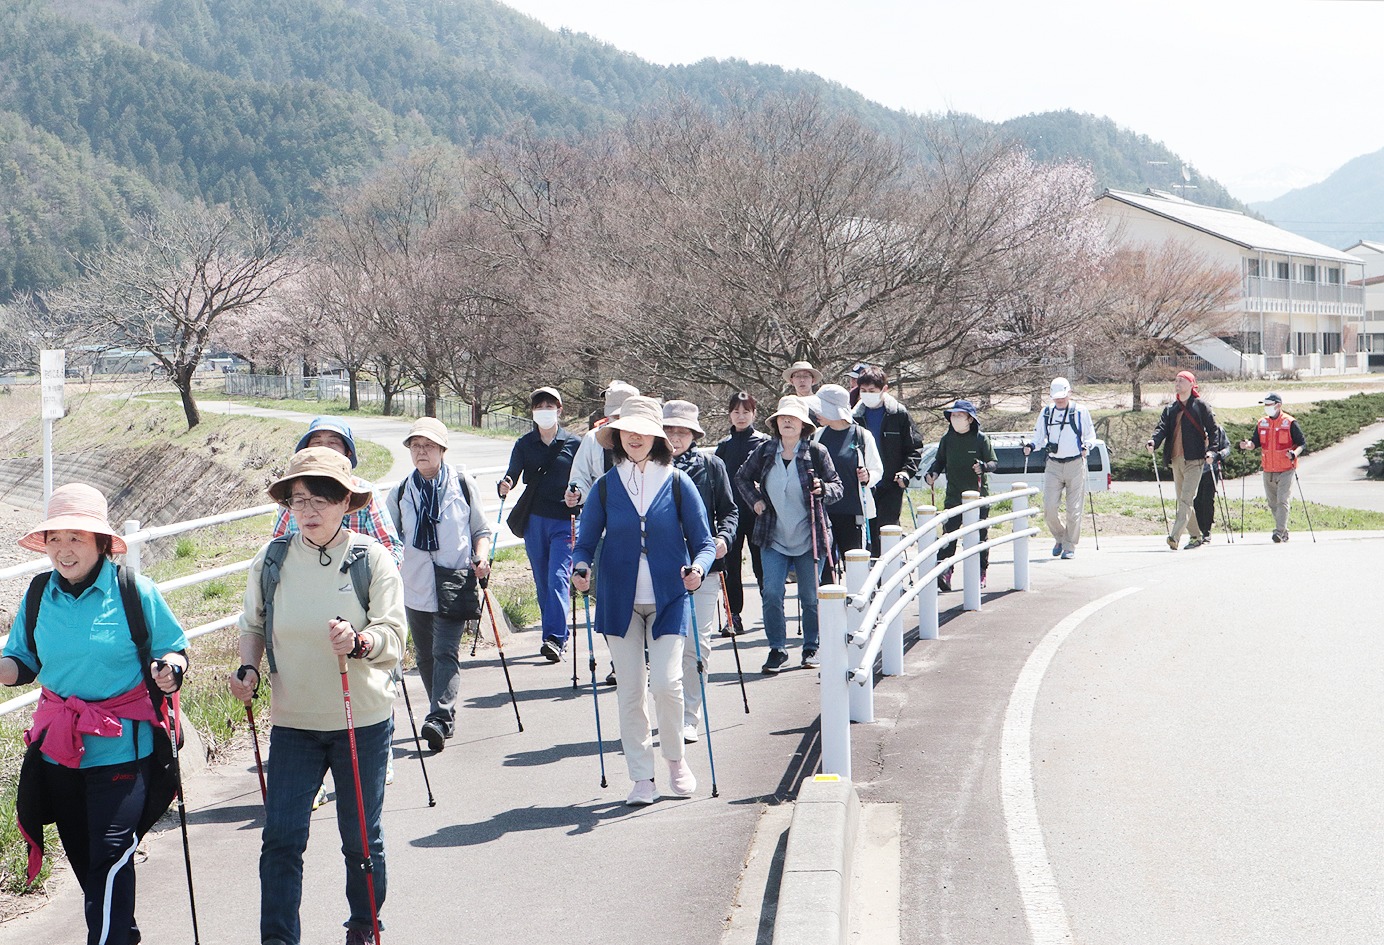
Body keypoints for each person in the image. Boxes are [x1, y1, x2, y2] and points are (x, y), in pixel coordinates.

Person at [231, 447, 406, 945]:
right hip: (293, 723)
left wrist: (359, 641)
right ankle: (279, 939)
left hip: (362, 721)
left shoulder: (372, 559)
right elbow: (253, 624)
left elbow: (394, 637)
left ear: (346, 502)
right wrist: (247, 670)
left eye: (321, 500)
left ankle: (365, 927)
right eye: (298, 499)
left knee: (360, 840)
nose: (307, 511)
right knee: (281, 840)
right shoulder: (272, 559)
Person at [1, 483, 188, 945]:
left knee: (109, 857)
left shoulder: (133, 591)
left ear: (102, 543)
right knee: (89, 866)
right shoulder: (40, 592)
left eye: (77, 538)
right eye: (55, 538)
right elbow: (21, 662)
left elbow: (173, 648)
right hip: (60, 753)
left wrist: (171, 671)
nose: (64, 550)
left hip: (123, 751)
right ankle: (120, 934)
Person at [571, 396, 717, 805]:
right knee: (630, 691)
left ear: (657, 437)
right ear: (617, 435)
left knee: (668, 685)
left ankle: (675, 759)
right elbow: (583, 543)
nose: (634, 437)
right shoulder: (604, 488)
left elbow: (704, 543)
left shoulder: (676, 481)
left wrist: (699, 570)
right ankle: (641, 777)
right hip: (619, 602)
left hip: (669, 597)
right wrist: (581, 569)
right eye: (627, 430)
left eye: (643, 431)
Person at [386, 417, 491, 752]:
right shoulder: (402, 492)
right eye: (416, 446)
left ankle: (439, 718)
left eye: (428, 446)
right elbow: (388, 538)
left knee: (445, 651)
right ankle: (442, 714)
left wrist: (482, 557)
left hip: (454, 581)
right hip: (414, 585)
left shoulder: (461, 484)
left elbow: (481, 531)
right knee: (425, 656)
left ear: (442, 450)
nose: (421, 452)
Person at [734, 396, 843, 675]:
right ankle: (777, 649)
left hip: (810, 537)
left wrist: (823, 490)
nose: (786, 422)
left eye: (792, 418)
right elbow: (742, 478)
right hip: (773, 535)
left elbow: (837, 487)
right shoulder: (765, 451)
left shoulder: (817, 452)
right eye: (782, 418)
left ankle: (811, 646)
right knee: (771, 593)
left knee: (809, 596)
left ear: (804, 424)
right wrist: (755, 500)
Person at [663, 399, 739, 743]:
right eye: (669, 431)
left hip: (702, 567)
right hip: (659, 567)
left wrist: (723, 538)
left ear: (694, 434)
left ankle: (689, 716)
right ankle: (669, 710)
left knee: (697, 643)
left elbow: (729, 511)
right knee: (665, 645)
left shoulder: (712, 466)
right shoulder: (648, 468)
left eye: (683, 432)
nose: (676, 437)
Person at [499, 387, 582, 662]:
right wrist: (505, 484)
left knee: (558, 577)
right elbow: (512, 474)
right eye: (539, 406)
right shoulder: (524, 444)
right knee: (542, 581)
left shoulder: (574, 443)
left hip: (565, 521)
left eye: (550, 406)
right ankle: (554, 635)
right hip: (535, 520)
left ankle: (555, 638)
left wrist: (577, 494)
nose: (544, 410)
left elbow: (584, 478)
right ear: (533, 412)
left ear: (560, 410)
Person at [271, 416, 403, 566]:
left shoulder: (365, 492)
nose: (324, 449)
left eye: (333, 443)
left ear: (348, 454)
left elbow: (390, 547)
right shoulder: (293, 492)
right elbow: (278, 544)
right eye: (317, 443)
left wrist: (373, 578)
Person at [924, 400, 997, 591]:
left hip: (978, 496)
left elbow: (994, 463)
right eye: (953, 415)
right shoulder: (947, 439)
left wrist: (983, 466)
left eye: (960, 415)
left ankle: (981, 571)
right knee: (949, 535)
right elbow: (939, 461)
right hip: (954, 495)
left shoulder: (981, 439)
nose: (956, 419)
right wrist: (932, 473)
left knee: (979, 536)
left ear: (970, 419)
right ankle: (944, 572)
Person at [812, 384, 882, 581]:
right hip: (824, 514)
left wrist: (868, 477)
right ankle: (829, 611)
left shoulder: (862, 435)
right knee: (826, 571)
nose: (817, 412)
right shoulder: (818, 436)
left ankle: (860, 609)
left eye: (821, 407)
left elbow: (877, 469)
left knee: (855, 569)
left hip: (854, 514)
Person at [714, 391, 770, 635]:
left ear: (754, 414)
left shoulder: (764, 442)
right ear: (729, 414)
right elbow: (717, 481)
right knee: (731, 566)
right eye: (736, 411)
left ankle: (770, 612)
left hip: (759, 514)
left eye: (746, 411)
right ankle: (733, 616)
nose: (741, 416)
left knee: (762, 566)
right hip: (732, 515)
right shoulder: (724, 446)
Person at [853, 367, 925, 555]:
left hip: (892, 483)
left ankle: (893, 575)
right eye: (864, 391)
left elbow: (914, 448)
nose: (867, 395)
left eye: (872, 391)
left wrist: (906, 472)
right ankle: (873, 578)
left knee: (888, 529)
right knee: (868, 532)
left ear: (884, 389)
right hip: (865, 485)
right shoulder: (854, 417)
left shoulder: (898, 414)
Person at [1024, 377, 1096, 560]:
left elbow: (1090, 436)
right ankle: (1060, 537)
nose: (1059, 400)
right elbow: (1039, 437)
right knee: (1049, 509)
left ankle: (1069, 545)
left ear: (1070, 393)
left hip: (1075, 464)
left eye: (1062, 397)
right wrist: (1031, 446)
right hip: (1053, 465)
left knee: (1074, 510)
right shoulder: (1046, 413)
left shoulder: (1080, 411)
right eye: (1056, 398)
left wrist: (1087, 447)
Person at [1147, 370, 1219, 551]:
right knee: (1183, 500)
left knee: (1186, 499)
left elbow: (1213, 430)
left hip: (1195, 460)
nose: (1177, 383)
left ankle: (1174, 536)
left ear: (1191, 384)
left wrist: (1212, 452)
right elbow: (1161, 428)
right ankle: (1196, 536)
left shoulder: (1201, 406)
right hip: (1176, 459)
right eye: (1176, 380)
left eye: (1181, 381)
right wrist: (1153, 442)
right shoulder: (1171, 408)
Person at [1237, 392, 1306, 543]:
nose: (1266, 408)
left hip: (1286, 468)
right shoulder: (1262, 423)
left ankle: (1279, 531)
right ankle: (1284, 530)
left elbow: (1302, 443)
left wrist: (1294, 453)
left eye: (1269, 405)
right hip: (1268, 468)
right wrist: (1247, 445)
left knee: (1282, 500)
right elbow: (1255, 443)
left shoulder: (1290, 422)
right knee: (1272, 502)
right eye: (1265, 405)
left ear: (1278, 405)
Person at [1189, 423, 1232, 547]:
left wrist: (1217, 455)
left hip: (1211, 470)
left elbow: (1226, 448)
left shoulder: (1218, 430)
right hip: (1194, 469)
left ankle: (1206, 531)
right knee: (1195, 501)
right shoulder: (1193, 428)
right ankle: (1197, 530)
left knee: (1207, 500)